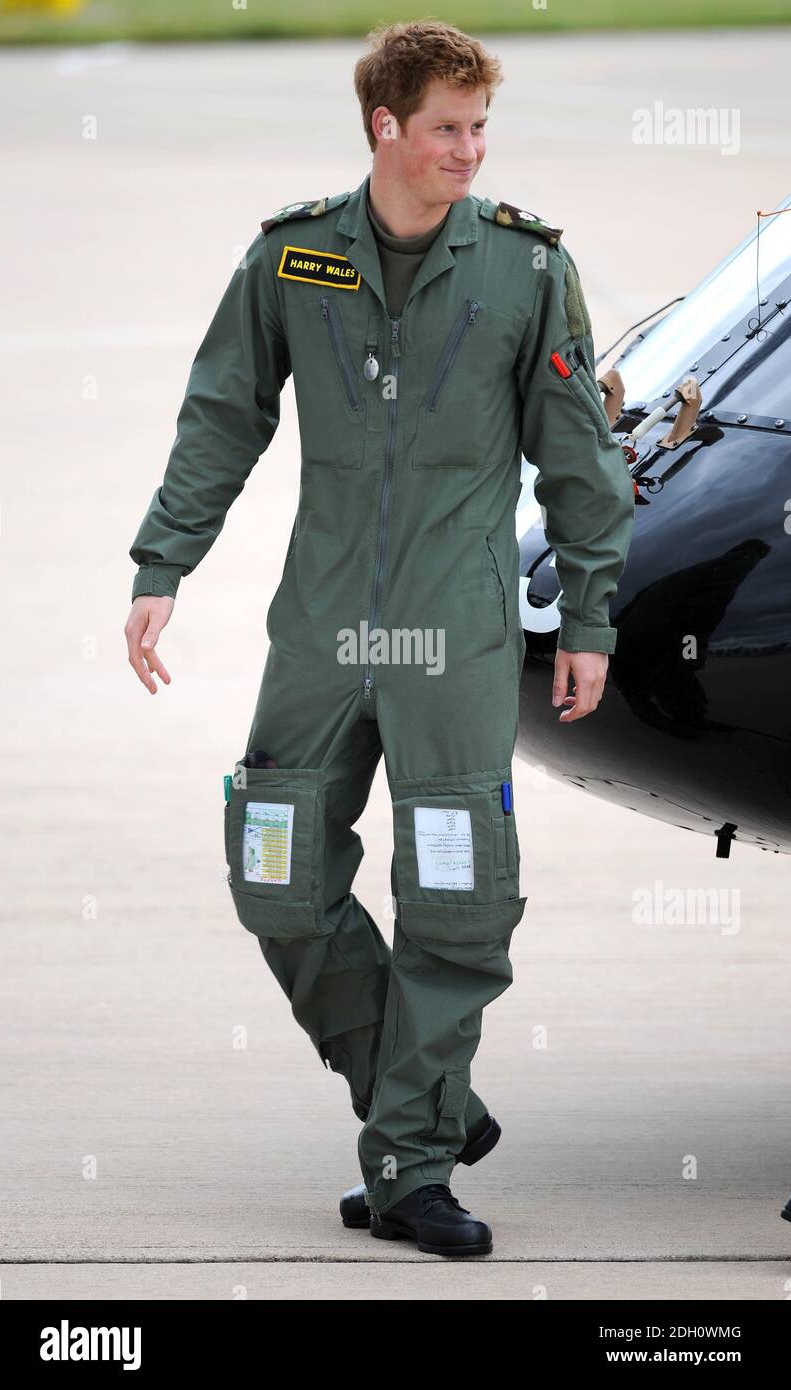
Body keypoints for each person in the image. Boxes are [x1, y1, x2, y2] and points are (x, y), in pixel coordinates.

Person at [124, 19, 635, 1258]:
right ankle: (432, 1100)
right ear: (385, 128)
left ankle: (410, 1162)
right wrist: (163, 563)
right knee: (274, 873)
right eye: (448, 128)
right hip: (322, 631)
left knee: (455, 901)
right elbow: (220, 414)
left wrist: (588, 615)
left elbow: (580, 454)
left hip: (453, 637)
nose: (470, 150)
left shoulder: (524, 269)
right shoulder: (295, 258)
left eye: (480, 128)